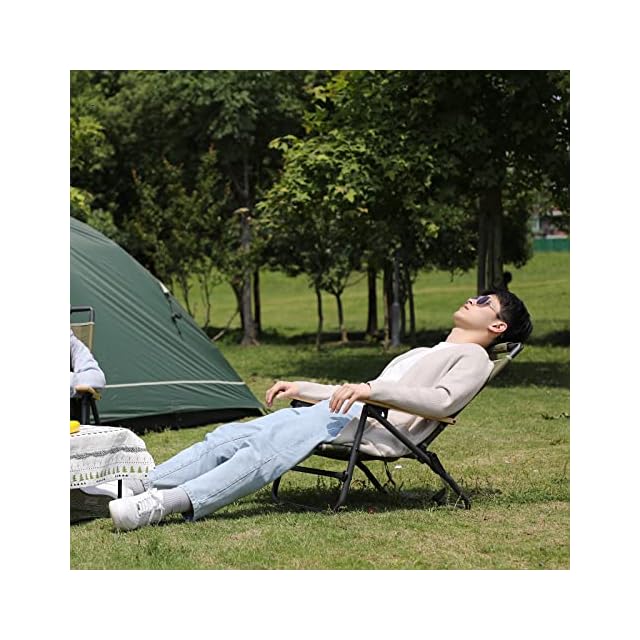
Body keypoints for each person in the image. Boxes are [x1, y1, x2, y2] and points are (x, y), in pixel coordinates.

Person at [108, 288, 532, 531]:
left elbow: (442, 402)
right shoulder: (429, 349)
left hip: (379, 430)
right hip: (352, 416)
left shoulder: (474, 358)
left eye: (484, 301)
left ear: (497, 327)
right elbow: (355, 392)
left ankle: (167, 503)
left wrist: (371, 390)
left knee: (263, 451)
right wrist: (304, 388)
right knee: (230, 435)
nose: (472, 299)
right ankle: (142, 485)